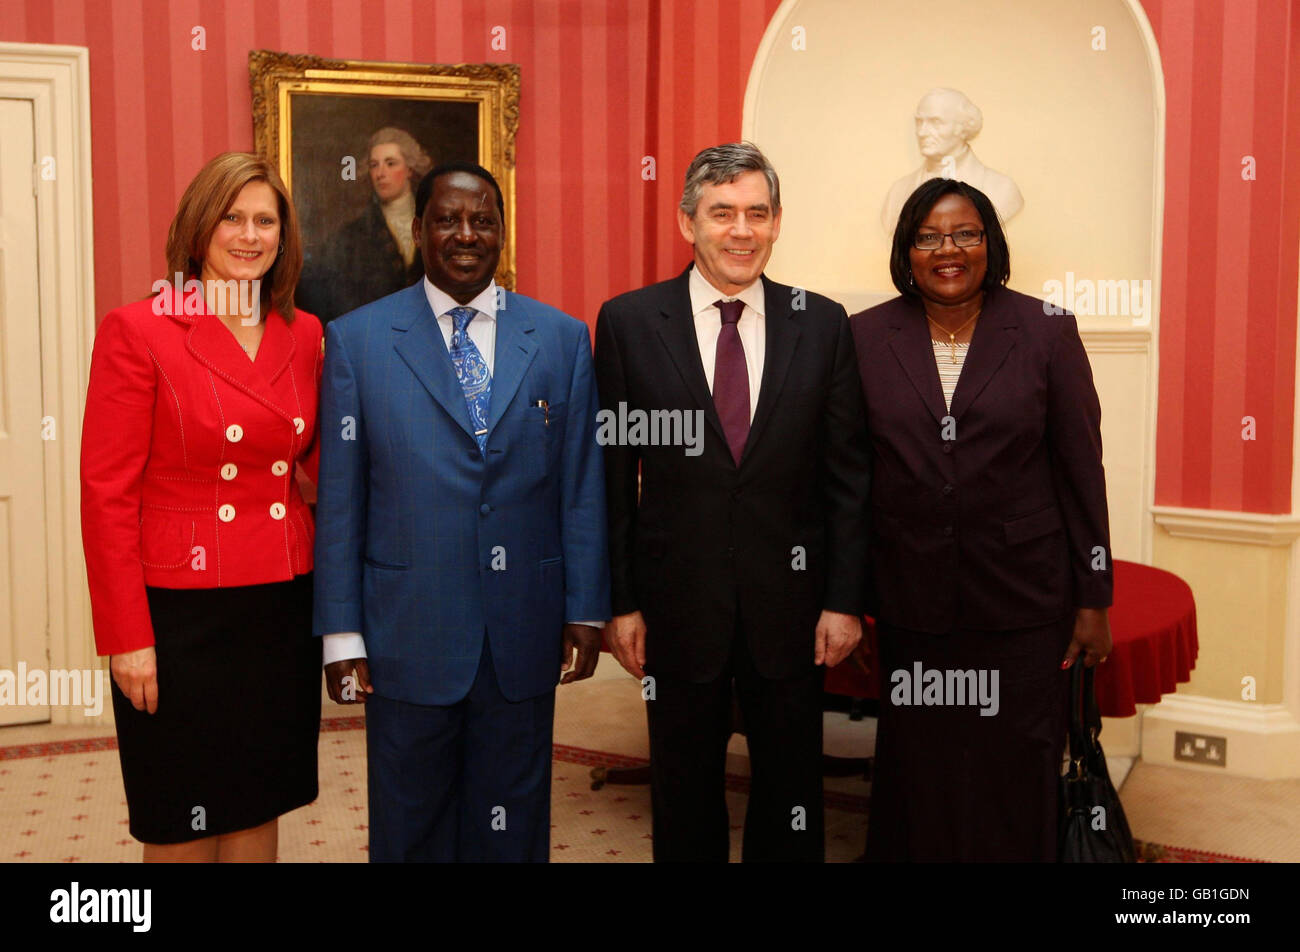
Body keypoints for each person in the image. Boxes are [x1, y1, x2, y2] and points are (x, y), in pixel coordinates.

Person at [314, 161, 610, 862]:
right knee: (409, 828)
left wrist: (586, 609)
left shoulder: (561, 339)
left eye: (482, 220)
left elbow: (581, 486)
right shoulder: (357, 342)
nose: (466, 234)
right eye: (447, 219)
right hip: (403, 633)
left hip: (523, 630)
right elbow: (341, 501)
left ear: (503, 232)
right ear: (419, 230)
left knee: (511, 828)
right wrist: (340, 635)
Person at [595, 142, 871, 862]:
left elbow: (847, 477)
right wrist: (621, 603)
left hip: (794, 608)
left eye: (756, 213)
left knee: (790, 798)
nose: (740, 230)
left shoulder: (823, 322)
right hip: (676, 605)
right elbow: (614, 477)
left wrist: (843, 599)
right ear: (688, 222)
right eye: (722, 213)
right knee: (683, 794)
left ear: (778, 223)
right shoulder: (628, 322)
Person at [851, 177, 1113, 861]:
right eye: (929, 236)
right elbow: (848, 478)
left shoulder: (1047, 330)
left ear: (990, 244)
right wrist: (843, 595)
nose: (949, 249)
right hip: (911, 603)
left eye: (965, 233)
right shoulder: (865, 336)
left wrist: (1093, 598)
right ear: (906, 250)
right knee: (921, 768)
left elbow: (1081, 470)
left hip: (1024, 603)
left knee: (1016, 767)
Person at [80, 152, 323, 862]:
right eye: (232, 218)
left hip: (280, 602)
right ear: (197, 230)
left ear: (284, 235)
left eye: (265, 220)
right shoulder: (142, 328)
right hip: (178, 613)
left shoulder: (303, 333)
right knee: (182, 819)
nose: (249, 235)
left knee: (258, 802)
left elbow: (316, 469)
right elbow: (106, 493)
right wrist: (128, 636)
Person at [298, 126, 432, 323]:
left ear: (410, 169)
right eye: (374, 165)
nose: (380, 173)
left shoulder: (434, 224)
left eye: (391, 163)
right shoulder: (352, 236)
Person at [880, 87, 1024, 234]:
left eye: (935, 122)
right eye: (919, 122)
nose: (922, 132)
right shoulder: (898, 192)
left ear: (963, 127)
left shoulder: (1002, 189)